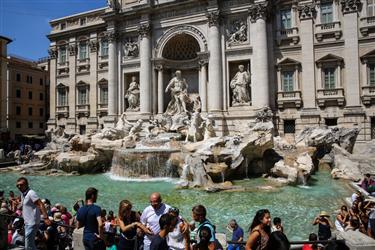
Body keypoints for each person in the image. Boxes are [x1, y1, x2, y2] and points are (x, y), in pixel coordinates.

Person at [16, 177, 51, 250]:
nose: (19, 187)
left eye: (21, 185)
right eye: (17, 185)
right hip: (27, 223)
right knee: (29, 245)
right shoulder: (23, 194)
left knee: (28, 246)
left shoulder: (31, 193)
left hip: (32, 223)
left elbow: (40, 204)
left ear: (26, 184)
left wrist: (46, 218)